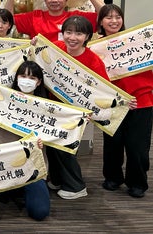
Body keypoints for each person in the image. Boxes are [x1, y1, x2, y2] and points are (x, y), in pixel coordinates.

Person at [46, 15, 109, 200]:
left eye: (79, 34)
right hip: (53, 107)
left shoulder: (93, 60)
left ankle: (76, 186)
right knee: (52, 145)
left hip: (76, 113)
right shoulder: (55, 48)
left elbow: (104, 90)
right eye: (68, 32)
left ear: (87, 36)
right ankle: (57, 179)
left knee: (65, 147)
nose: (72, 37)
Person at [96, 4, 152, 198]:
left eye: (117, 17)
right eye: (108, 17)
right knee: (113, 144)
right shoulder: (95, 47)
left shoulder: (136, 39)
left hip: (141, 101)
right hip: (112, 104)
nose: (114, 21)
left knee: (138, 147)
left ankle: (137, 182)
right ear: (101, 22)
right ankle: (113, 177)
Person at [0, 61, 51, 221]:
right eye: (23, 76)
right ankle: (13, 190)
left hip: (32, 164)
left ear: (38, 82)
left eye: (32, 78)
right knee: (1, 198)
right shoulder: (3, 99)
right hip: (5, 161)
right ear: (17, 78)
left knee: (40, 212)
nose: (26, 80)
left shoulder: (47, 107)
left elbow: (57, 135)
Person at [4, 0, 104, 42]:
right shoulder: (35, 17)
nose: (54, 0)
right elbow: (7, 19)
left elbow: (105, 15)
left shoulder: (77, 18)